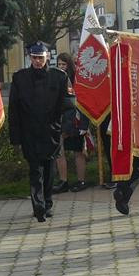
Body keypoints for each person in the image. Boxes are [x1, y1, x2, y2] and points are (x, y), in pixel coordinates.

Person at [8, 42, 66, 222]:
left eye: (41, 57)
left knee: (49, 170)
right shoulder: (20, 78)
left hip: (51, 132)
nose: (38, 61)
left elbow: (69, 102)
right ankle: (38, 206)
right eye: (34, 58)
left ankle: (47, 203)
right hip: (29, 132)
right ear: (29, 58)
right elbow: (13, 108)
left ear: (48, 56)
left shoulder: (59, 77)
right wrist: (15, 136)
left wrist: (60, 124)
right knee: (35, 170)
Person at [53, 53, 88, 193]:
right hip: (61, 121)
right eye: (59, 64)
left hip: (76, 120)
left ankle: (81, 181)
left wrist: (84, 125)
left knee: (78, 152)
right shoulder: (55, 80)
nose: (61, 67)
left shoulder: (77, 80)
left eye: (64, 64)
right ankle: (63, 181)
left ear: (70, 65)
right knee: (59, 152)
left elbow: (83, 102)